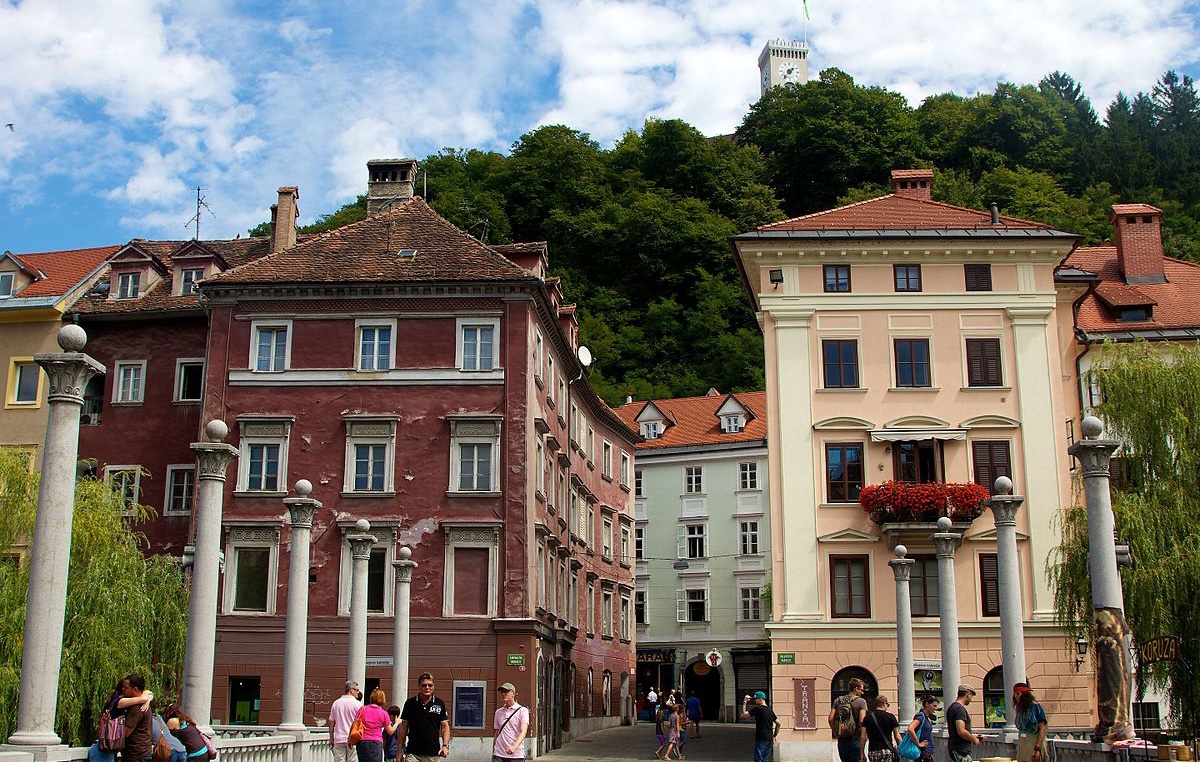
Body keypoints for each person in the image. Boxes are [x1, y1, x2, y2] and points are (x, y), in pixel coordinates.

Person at [398, 672, 450, 762]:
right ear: (419, 686)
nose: (427, 688)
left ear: (433, 687)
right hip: (413, 753)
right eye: (424, 685)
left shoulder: (439, 703)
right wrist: (399, 751)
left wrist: (445, 746)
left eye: (430, 685)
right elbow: (403, 728)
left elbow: (445, 727)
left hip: (433, 754)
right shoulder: (410, 703)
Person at [828, 678, 868, 762]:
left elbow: (831, 718)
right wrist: (865, 735)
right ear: (856, 689)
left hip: (842, 739)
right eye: (861, 690)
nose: (862, 692)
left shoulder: (838, 700)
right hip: (855, 738)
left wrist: (836, 732)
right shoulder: (861, 702)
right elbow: (862, 721)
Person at [357, 689, 399, 762]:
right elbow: (390, 731)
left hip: (362, 741)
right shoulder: (383, 713)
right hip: (376, 742)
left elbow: (355, 723)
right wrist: (397, 723)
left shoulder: (362, 709)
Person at [492, 682, 530, 762]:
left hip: (516, 755)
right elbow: (497, 732)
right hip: (499, 754)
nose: (503, 694)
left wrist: (514, 747)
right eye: (502, 692)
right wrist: (493, 751)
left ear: (513, 693)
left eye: (506, 692)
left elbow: (523, 731)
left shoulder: (522, 711)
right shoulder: (498, 712)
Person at [121, 674, 154, 762]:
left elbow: (126, 732)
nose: (123, 690)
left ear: (135, 689)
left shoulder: (136, 708)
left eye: (126, 687)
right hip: (143, 753)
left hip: (137, 755)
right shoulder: (142, 702)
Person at [740, 691, 780, 762]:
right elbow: (778, 723)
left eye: (756, 699)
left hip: (761, 738)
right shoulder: (770, 710)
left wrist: (744, 702)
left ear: (761, 699)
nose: (755, 701)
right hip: (769, 739)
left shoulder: (758, 709)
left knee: (758, 759)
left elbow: (744, 715)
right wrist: (774, 736)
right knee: (765, 759)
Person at [1012, 683, 1048, 762]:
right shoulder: (1019, 708)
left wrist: (1037, 748)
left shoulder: (1035, 706)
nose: (1016, 696)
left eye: (1018, 694)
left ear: (1024, 695)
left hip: (1033, 742)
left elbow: (1042, 728)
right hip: (1023, 743)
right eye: (1015, 694)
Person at [329, 681, 364, 762]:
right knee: (352, 760)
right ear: (351, 690)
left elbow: (331, 722)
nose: (358, 692)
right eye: (357, 690)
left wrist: (331, 737)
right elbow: (362, 722)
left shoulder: (336, 703)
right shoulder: (357, 704)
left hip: (339, 738)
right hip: (353, 738)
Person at [946, 685, 983, 762]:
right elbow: (961, 731)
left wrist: (974, 736)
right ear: (968, 695)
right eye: (971, 696)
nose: (971, 700)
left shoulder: (952, 708)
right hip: (960, 748)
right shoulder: (959, 709)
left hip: (955, 746)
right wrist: (974, 739)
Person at [864, 695, 900, 762]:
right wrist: (902, 748)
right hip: (886, 750)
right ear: (884, 703)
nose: (887, 707)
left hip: (872, 751)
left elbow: (863, 736)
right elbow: (897, 736)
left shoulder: (867, 718)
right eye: (887, 705)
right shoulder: (891, 717)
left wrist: (862, 753)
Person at [904, 696, 939, 762]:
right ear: (927, 704)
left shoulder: (925, 717)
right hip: (923, 752)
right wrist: (918, 743)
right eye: (934, 706)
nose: (935, 708)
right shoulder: (920, 716)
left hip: (926, 752)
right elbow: (910, 729)